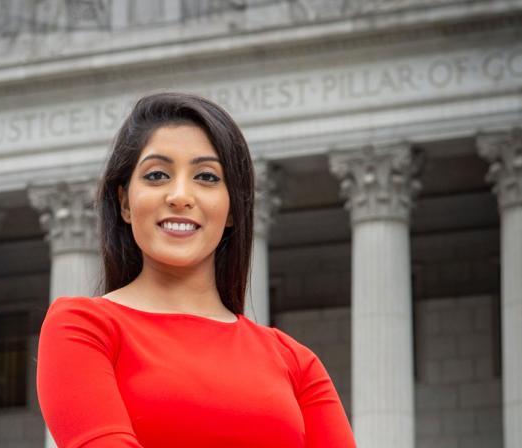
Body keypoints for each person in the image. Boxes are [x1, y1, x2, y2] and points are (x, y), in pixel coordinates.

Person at [36, 92, 356, 448]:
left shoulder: (296, 362)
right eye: (157, 175)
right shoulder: (83, 327)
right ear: (125, 202)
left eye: (206, 177)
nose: (180, 195)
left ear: (233, 208)